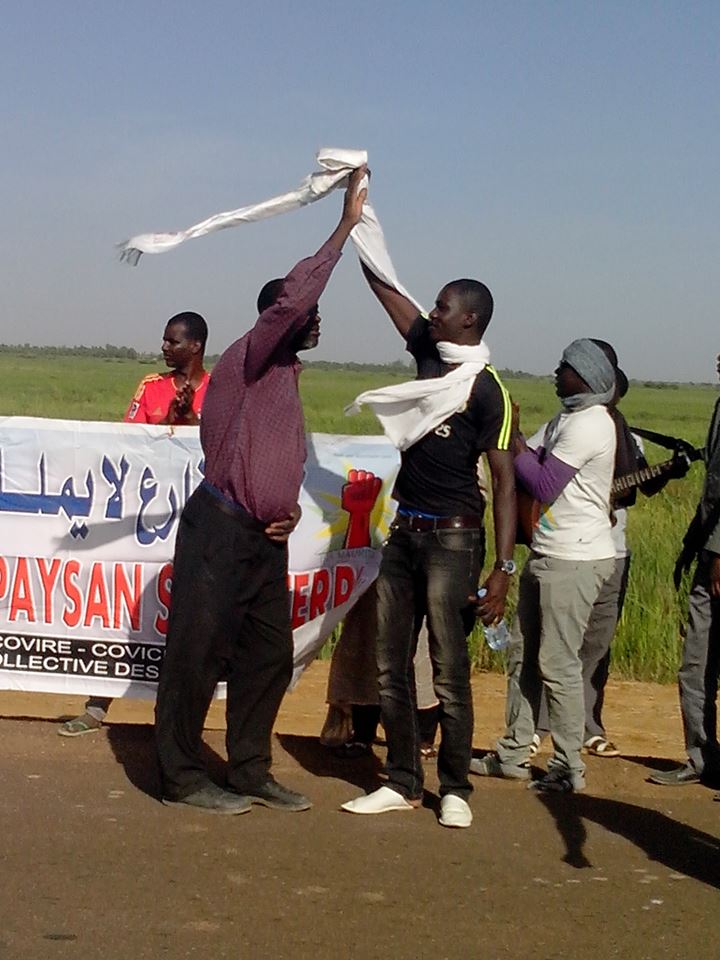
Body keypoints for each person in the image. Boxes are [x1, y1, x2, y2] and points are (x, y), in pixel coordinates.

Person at [153, 167, 368, 814]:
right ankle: (182, 776)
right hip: (219, 530)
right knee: (196, 653)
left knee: (268, 655)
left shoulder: (282, 380)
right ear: (283, 319)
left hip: (259, 537)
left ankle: (248, 769)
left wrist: (286, 506)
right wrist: (346, 225)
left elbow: (268, 458)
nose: (317, 323)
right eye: (311, 316)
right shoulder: (253, 355)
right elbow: (295, 298)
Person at [341, 266, 516, 828]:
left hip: (455, 539)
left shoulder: (487, 390)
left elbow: (505, 481)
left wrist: (504, 568)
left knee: (448, 668)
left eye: (442, 307)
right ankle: (401, 781)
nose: (431, 313)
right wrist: (356, 218)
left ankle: (455, 787)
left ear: (469, 319)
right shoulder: (428, 358)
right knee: (391, 666)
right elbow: (385, 288)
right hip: (405, 533)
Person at [472, 338, 616, 792]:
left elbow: (541, 478)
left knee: (557, 662)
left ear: (586, 377)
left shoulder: (592, 424)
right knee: (522, 656)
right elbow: (525, 461)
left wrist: (510, 433)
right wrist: (515, 441)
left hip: (575, 558)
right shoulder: (567, 418)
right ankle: (514, 752)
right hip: (549, 553)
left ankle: (569, 767)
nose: (556, 373)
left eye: (565, 367)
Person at [531, 346, 690, 759]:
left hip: (613, 552)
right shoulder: (565, 426)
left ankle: (587, 726)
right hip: (570, 550)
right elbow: (539, 472)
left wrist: (670, 470)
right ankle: (541, 729)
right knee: (557, 648)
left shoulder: (627, 436)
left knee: (595, 647)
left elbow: (639, 487)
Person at [58, 311, 210, 737]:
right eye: (164, 341)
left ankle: (177, 717)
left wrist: (192, 425)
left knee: (188, 615)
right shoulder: (151, 387)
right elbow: (125, 444)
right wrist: (166, 426)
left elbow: (223, 446)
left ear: (195, 346)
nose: (164, 348)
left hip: (196, 519)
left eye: (172, 341)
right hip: (143, 519)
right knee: (124, 609)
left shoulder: (218, 390)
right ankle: (98, 704)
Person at [649, 353, 720, 789]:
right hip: (709, 553)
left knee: (701, 661)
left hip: (717, 559)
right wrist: (692, 547)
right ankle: (702, 758)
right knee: (697, 663)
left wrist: (716, 552)